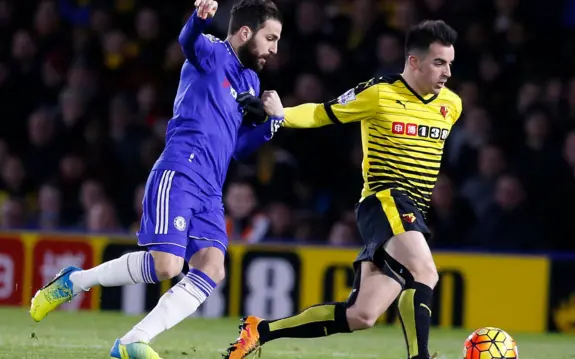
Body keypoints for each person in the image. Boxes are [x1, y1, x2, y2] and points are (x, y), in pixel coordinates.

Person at [28, 1, 283, 358]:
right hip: (180, 172)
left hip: (211, 188)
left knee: (212, 268)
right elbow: (187, 41)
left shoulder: (250, 80)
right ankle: (75, 281)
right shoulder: (211, 52)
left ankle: (133, 341)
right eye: (270, 38)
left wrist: (272, 123)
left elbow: (237, 148)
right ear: (245, 33)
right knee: (167, 266)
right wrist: (198, 19)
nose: (274, 48)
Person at [227, 20, 462, 359]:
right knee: (425, 272)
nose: (447, 72)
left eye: (450, 64)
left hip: (411, 210)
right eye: (439, 62)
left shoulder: (451, 105)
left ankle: (260, 330)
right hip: (384, 200)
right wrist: (279, 115)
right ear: (414, 61)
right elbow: (323, 113)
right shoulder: (379, 93)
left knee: (361, 315)